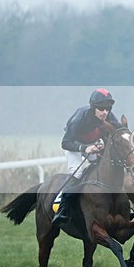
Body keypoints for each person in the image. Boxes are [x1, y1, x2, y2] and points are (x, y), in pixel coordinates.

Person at [53, 88, 120, 227]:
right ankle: (62, 207)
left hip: (93, 144)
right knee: (78, 173)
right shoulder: (80, 117)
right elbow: (65, 143)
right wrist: (85, 148)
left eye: (108, 109)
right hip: (74, 145)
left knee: (106, 168)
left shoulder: (110, 117)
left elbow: (117, 136)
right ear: (93, 107)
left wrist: (103, 147)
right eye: (101, 109)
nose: (105, 112)